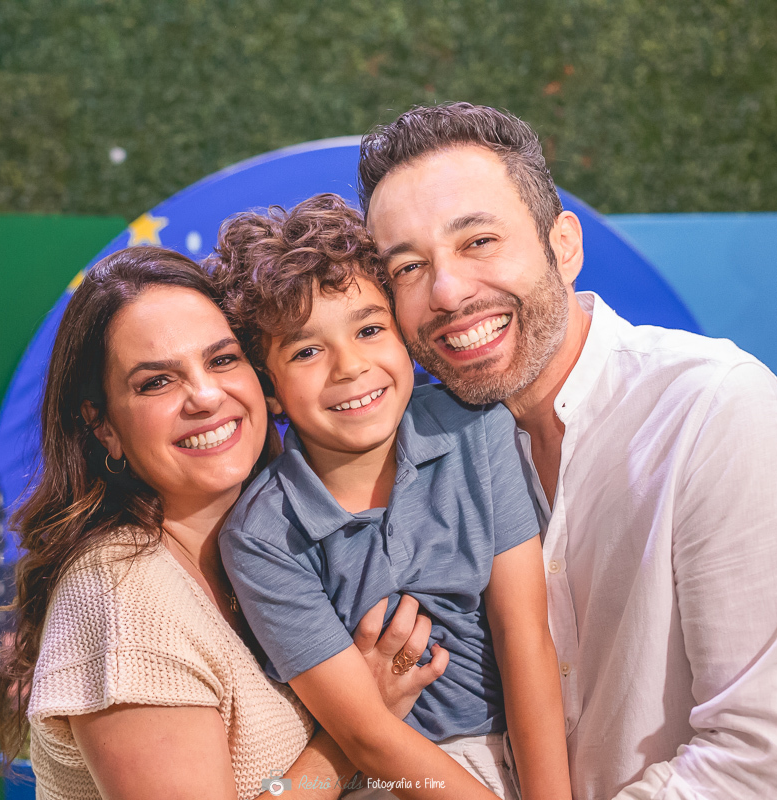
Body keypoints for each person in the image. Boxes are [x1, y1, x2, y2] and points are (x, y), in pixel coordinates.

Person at [357, 102, 777, 799]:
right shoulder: (412, 459)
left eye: (478, 241)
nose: (447, 292)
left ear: (564, 246)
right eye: (409, 267)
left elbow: (766, 757)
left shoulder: (712, 408)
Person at [0, 245, 449, 800]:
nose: (205, 397)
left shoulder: (285, 540)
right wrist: (356, 730)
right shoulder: (123, 600)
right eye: (156, 382)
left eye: (222, 360)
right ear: (103, 426)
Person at [212, 194, 571, 800]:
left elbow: (526, 636)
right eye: (306, 351)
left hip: (521, 753)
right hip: (385, 776)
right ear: (268, 389)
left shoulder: (475, 429)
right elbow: (367, 735)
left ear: (402, 335)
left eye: (370, 330)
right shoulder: (261, 535)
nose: (350, 366)